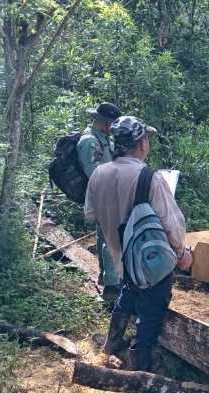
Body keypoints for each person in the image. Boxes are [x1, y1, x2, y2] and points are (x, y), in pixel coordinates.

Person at [85, 116, 193, 371]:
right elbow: (172, 223)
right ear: (143, 144)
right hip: (149, 261)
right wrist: (182, 254)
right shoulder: (150, 178)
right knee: (152, 307)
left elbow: (90, 214)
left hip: (119, 256)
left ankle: (113, 342)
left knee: (129, 291)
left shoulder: (99, 173)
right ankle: (140, 362)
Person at [78, 102, 124, 301]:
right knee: (111, 240)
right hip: (103, 197)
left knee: (103, 238)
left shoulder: (102, 139)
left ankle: (106, 277)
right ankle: (112, 288)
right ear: (105, 122)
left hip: (107, 195)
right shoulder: (90, 141)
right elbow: (94, 174)